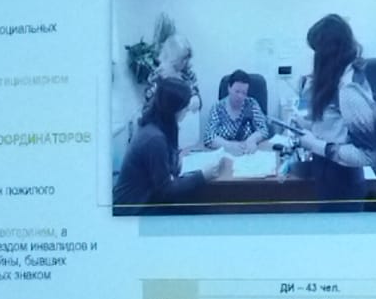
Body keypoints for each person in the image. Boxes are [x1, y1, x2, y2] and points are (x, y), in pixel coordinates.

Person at [287, 14, 376, 203]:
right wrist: (306, 125)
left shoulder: (350, 90)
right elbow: (335, 127)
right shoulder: (336, 78)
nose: (315, 58)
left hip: (343, 181)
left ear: (329, 53)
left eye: (317, 52)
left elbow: (366, 155)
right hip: (326, 171)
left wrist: (315, 144)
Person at [113, 77, 229, 208]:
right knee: (206, 206)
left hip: (147, 197)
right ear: (173, 108)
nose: (188, 109)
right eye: (185, 105)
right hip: (134, 208)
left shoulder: (160, 125)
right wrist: (202, 176)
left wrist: (177, 158)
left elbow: (169, 170)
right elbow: (166, 190)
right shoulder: (154, 138)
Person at [204, 70, 270, 154]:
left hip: (247, 153)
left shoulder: (251, 104)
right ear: (229, 88)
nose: (240, 96)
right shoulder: (217, 108)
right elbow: (209, 137)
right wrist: (228, 145)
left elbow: (263, 130)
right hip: (224, 154)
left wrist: (252, 140)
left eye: (244, 93)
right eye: (237, 91)